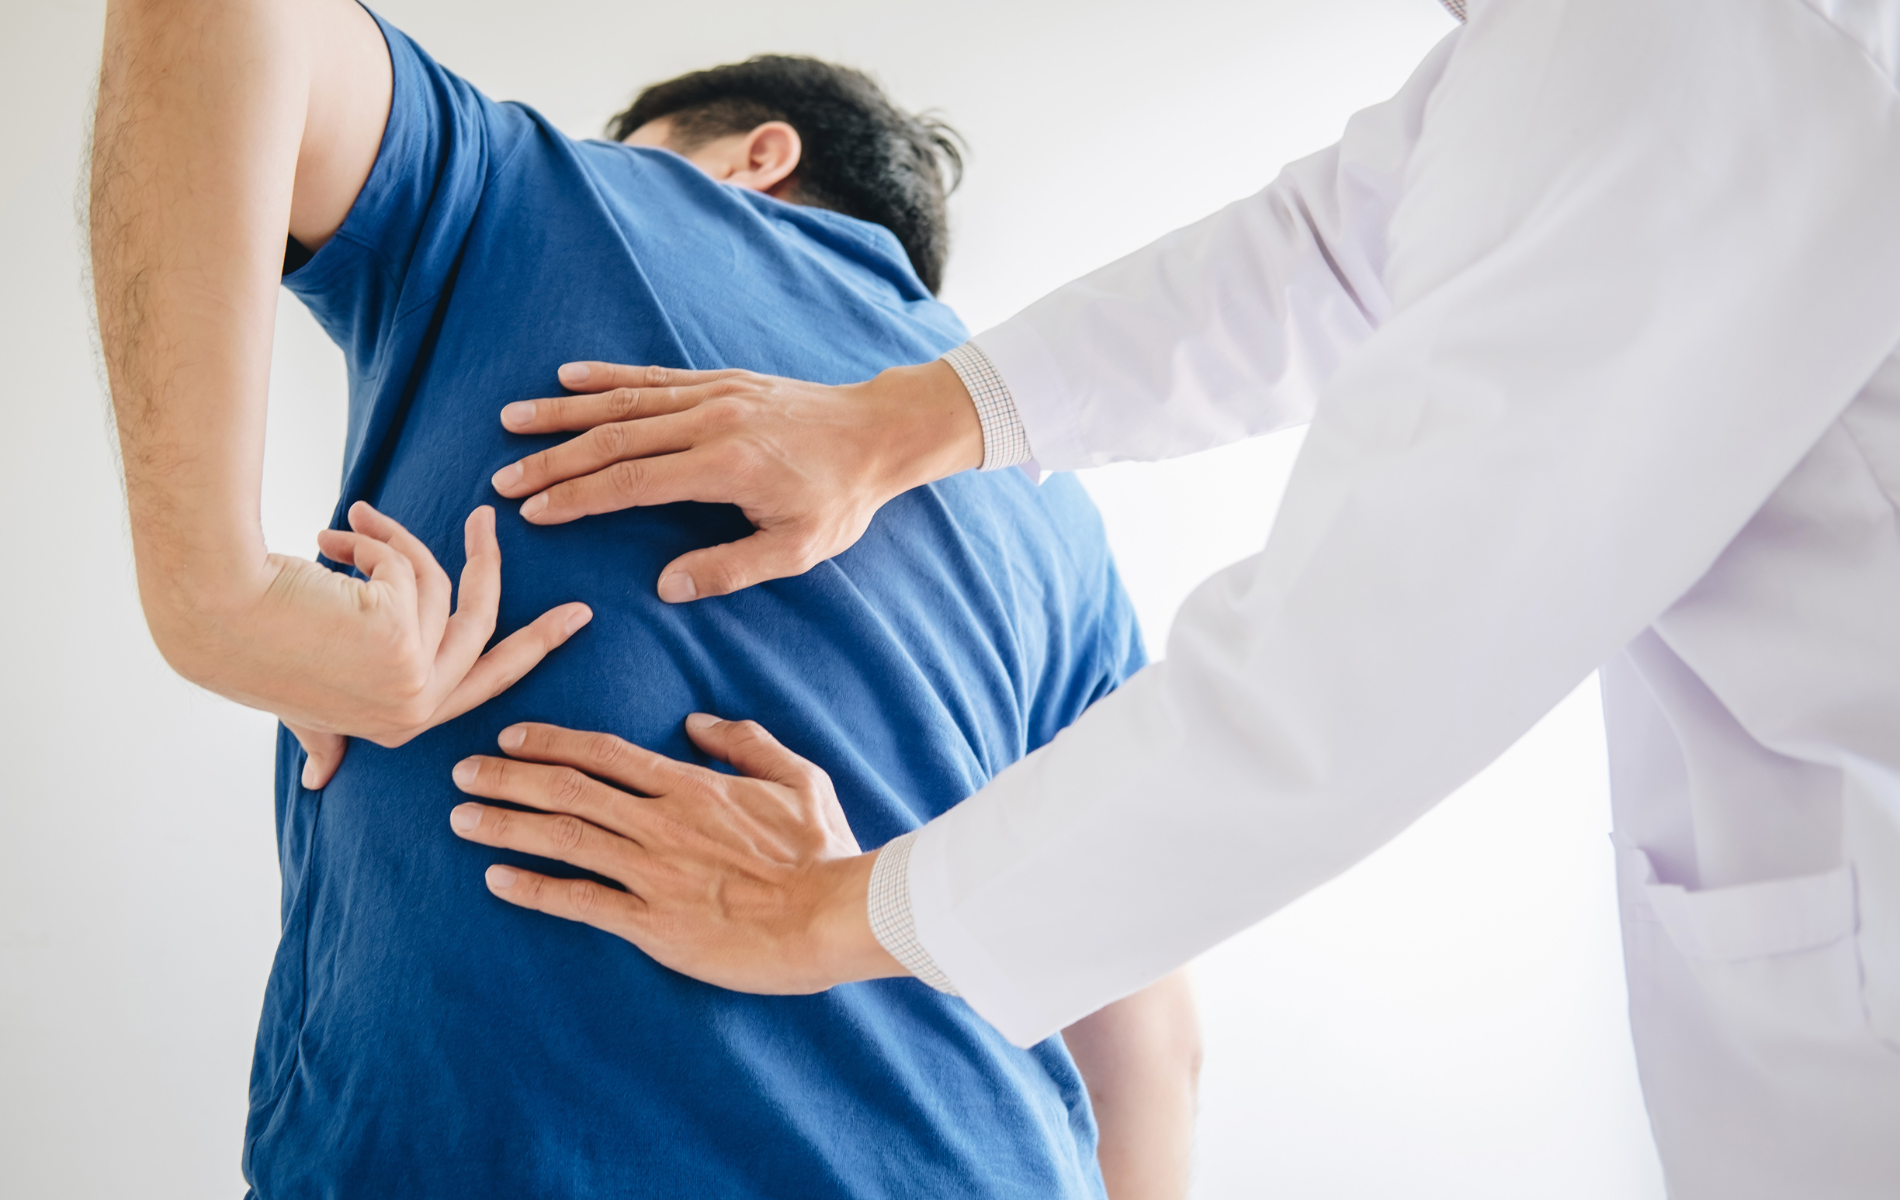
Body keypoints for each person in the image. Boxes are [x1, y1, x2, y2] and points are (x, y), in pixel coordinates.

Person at [434, 1, 1900, 1197]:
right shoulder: (1563, 58)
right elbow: (1312, 263)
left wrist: (823, 911)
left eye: (631, 155)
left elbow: (1359, 665)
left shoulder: (1690, 48)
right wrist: (902, 424)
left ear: (757, 161)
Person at [88, 1, 1200, 1196]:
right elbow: (1151, 1038)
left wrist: (215, 597)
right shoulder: (1054, 520)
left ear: (756, 157)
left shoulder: (557, 197)